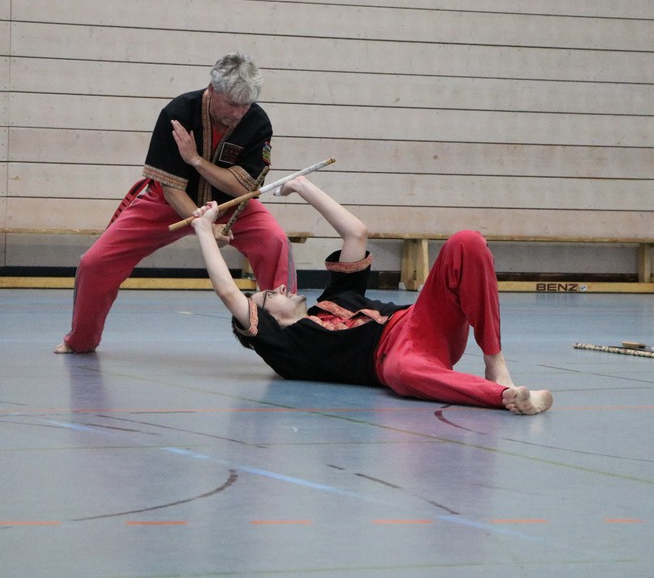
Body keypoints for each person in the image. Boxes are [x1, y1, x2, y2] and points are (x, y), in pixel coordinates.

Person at [190, 176, 554, 415]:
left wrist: (303, 187)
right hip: (397, 358)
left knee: (466, 242)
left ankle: (496, 366)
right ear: (265, 322)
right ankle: (506, 397)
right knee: (402, 372)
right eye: (270, 295)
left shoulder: (333, 299)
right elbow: (227, 291)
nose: (282, 287)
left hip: (420, 322)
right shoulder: (288, 348)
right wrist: (204, 229)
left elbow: (355, 233)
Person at [56, 51, 296, 354]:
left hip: (232, 206)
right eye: (232, 104)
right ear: (212, 89)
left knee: (276, 243)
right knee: (95, 262)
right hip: (168, 203)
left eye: (245, 105)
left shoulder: (257, 123)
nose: (238, 113)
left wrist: (196, 160)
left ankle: (291, 341)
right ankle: (81, 340)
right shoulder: (178, 113)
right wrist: (205, 228)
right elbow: (171, 189)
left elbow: (242, 187)